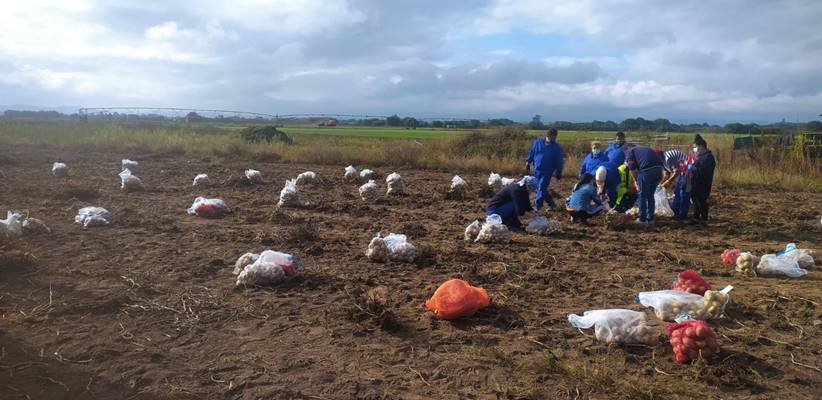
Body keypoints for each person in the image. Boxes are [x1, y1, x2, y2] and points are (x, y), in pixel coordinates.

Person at [525, 128, 564, 210]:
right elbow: (532, 152)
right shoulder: (537, 143)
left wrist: (559, 171)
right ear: (547, 135)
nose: (553, 139)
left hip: (548, 171)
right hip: (537, 169)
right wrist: (528, 162)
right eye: (552, 137)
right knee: (539, 188)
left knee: (542, 187)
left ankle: (538, 206)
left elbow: (559, 160)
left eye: (555, 137)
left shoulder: (557, 147)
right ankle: (552, 204)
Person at [625, 145, 664, 224]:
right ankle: (650, 218)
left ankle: (642, 219)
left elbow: (632, 169)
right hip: (659, 170)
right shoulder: (642, 149)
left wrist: (636, 181)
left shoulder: (629, 152)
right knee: (650, 194)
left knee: (642, 194)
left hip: (647, 170)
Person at [689, 134, 716, 223]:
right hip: (696, 182)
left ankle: (704, 218)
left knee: (702, 200)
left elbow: (705, 171)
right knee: (696, 200)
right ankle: (696, 217)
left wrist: (694, 169)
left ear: (701, 146)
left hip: (703, 183)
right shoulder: (700, 156)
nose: (695, 149)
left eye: (695, 147)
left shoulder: (708, 157)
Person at [660, 149, 693, 220]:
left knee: (684, 191)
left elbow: (676, 171)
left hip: (688, 169)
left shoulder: (668, 159)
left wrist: (668, 181)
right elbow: (667, 174)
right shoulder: (662, 162)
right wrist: (661, 184)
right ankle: (675, 210)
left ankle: (683, 213)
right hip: (682, 171)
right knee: (677, 191)